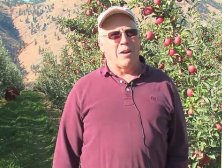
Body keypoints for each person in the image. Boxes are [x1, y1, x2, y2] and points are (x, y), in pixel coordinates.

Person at [53, 6, 188, 168]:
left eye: (131, 32)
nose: (124, 40)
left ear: (139, 39)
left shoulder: (163, 85)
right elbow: (65, 157)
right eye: (114, 35)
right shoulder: (83, 90)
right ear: (101, 44)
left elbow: (178, 152)